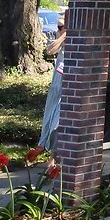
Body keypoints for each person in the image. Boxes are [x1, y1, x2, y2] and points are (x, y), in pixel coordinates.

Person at [38, 16, 66, 151]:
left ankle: (53, 158)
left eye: (61, 27)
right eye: (58, 27)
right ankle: (44, 147)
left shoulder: (78, 45)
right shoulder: (61, 42)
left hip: (66, 91)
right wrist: (64, 36)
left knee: (57, 122)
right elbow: (49, 50)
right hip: (56, 89)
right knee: (49, 119)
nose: (58, 30)